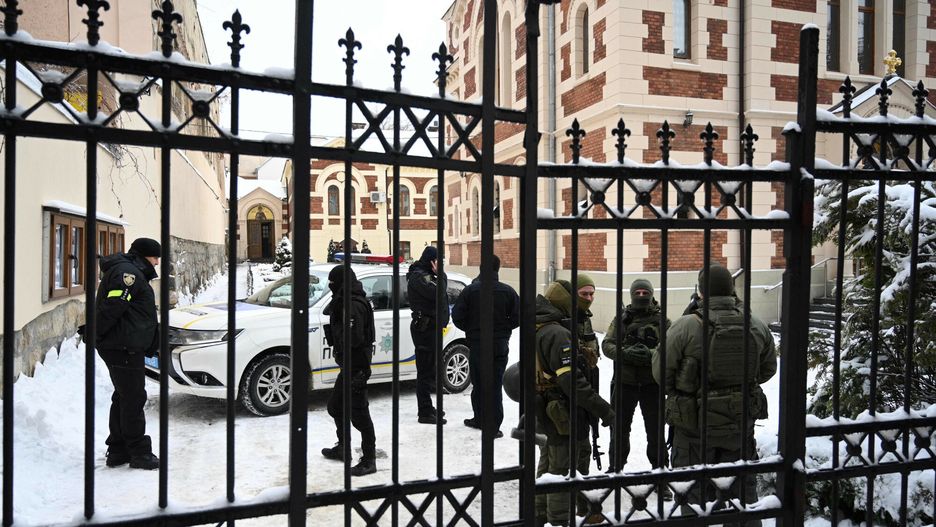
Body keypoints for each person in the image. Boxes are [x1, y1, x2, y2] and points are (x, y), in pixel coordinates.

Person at [654, 264, 777, 525]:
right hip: (739, 424)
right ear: (732, 290)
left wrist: (689, 387)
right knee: (741, 495)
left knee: (693, 497)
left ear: (700, 291)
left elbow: (660, 372)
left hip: (693, 429)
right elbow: (767, 369)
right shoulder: (755, 324)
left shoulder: (685, 325)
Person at [534, 280, 614, 527]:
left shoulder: (542, 325)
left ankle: (538, 514)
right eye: (580, 295)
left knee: (550, 462)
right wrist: (603, 409)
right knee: (564, 468)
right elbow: (572, 382)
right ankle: (559, 520)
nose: (586, 300)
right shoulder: (558, 333)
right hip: (563, 411)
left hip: (547, 408)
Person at [93, 237, 162, 470]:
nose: (157, 263)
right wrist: (97, 332)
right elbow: (114, 306)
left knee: (123, 396)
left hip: (123, 344)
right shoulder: (127, 274)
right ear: (144, 256)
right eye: (155, 258)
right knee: (133, 398)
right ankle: (139, 452)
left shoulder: (131, 271)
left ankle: (118, 449)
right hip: (122, 346)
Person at [602, 279, 669, 471]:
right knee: (619, 430)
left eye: (645, 293)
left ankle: (660, 471)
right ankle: (616, 468)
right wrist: (624, 353)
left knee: (655, 431)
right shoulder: (621, 319)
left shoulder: (662, 321)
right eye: (637, 293)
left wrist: (652, 355)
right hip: (625, 383)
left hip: (652, 384)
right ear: (632, 294)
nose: (641, 296)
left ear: (652, 294)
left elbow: (671, 347)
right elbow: (607, 344)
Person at [451, 254, 519, 438]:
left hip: (478, 344)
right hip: (499, 345)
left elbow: (457, 316)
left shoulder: (471, 291)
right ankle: (493, 425)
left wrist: (471, 329)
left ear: (481, 269)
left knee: (479, 382)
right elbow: (518, 317)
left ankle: (480, 418)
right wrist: (504, 329)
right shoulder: (508, 292)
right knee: (495, 384)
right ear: (498, 269)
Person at [321, 265, 378, 476]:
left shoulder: (352, 305)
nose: (331, 287)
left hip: (357, 368)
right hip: (348, 367)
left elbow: (353, 338)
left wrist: (338, 333)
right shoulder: (345, 301)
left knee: (360, 415)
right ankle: (343, 448)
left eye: (333, 283)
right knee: (336, 407)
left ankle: (369, 459)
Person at [406, 245, 449, 424]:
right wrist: (442, 275)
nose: (441, 264)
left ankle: (428, 406)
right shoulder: (419, 276)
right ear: (432, 260)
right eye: (439, 261)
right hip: (425, 330)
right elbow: (438, 293)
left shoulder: (427, 275)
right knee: (424, 372)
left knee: (429, 370)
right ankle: (424, 412)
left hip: (431, 329)